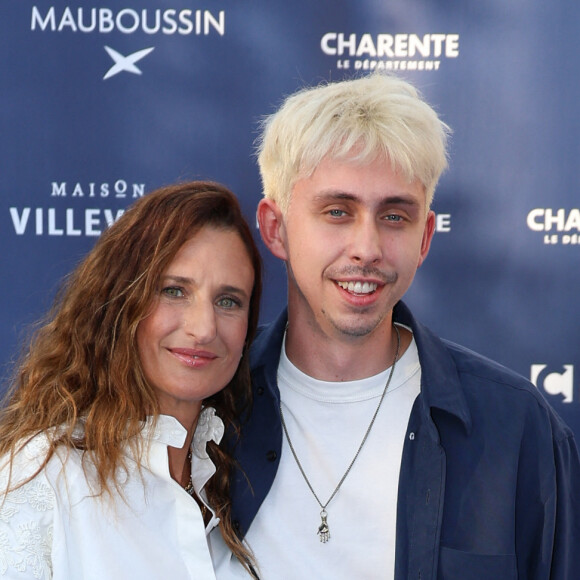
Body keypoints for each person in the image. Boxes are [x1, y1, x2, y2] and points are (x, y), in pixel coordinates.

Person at [209, 74, 580, 579]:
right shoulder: (208, 408)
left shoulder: (516, 428)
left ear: (425, 237)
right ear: (276, 228)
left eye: (395, 216)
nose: (368, 248)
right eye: (337, 212)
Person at [0, 181, 262, 579]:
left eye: (228, 301)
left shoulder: (229, 485)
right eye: (174, 291)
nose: (204, 328)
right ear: (122, 305)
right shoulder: (42, 476)